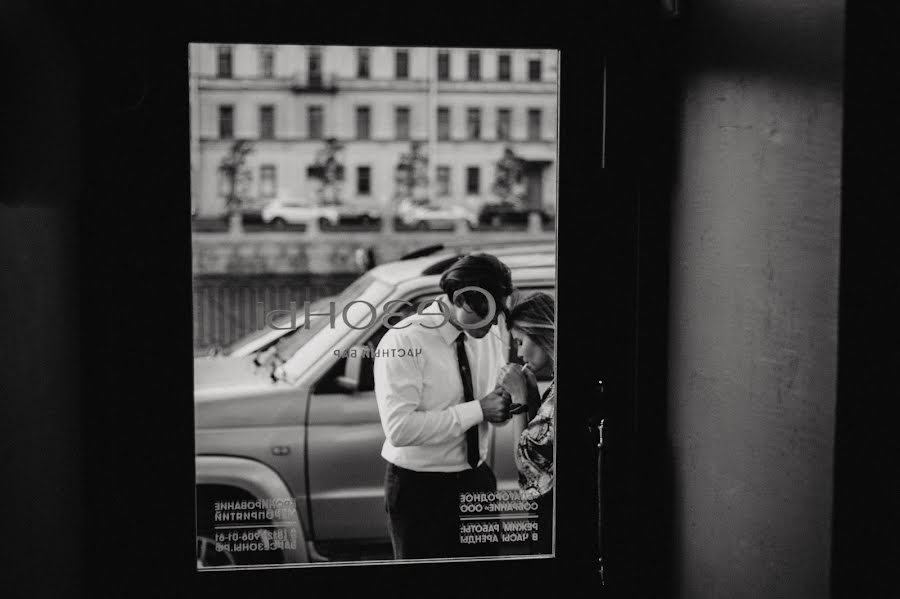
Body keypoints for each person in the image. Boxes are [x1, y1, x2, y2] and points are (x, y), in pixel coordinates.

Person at [374, 253, 514, 559]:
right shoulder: (404, 341)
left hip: (477, 481)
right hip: (420, 490)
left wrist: (502, 408)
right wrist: (479, 410)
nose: (489, 322)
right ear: (454, 298)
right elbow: (399, 429)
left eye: (494, 313)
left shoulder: (487, 334)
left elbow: (491, 405)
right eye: (479, 312)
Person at [503, 291, 556, 555]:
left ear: (538, 334)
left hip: (553, 516)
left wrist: (518, 399)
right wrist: (533, 395)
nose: (519, 352)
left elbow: (525, 462)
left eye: (520, 341)